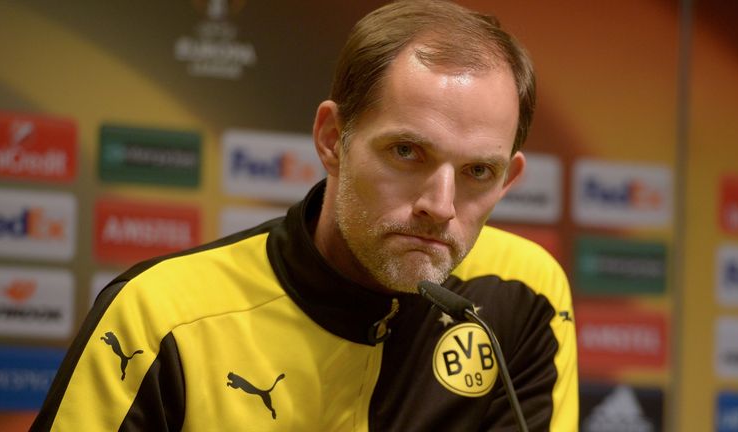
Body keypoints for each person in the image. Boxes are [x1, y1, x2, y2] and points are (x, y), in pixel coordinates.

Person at [32, 0, 578, 430]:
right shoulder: (158, 316)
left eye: (477, 172)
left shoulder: (522, 289)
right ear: (333, 140)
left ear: (509, 180)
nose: (440, 205)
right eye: (407, 153)